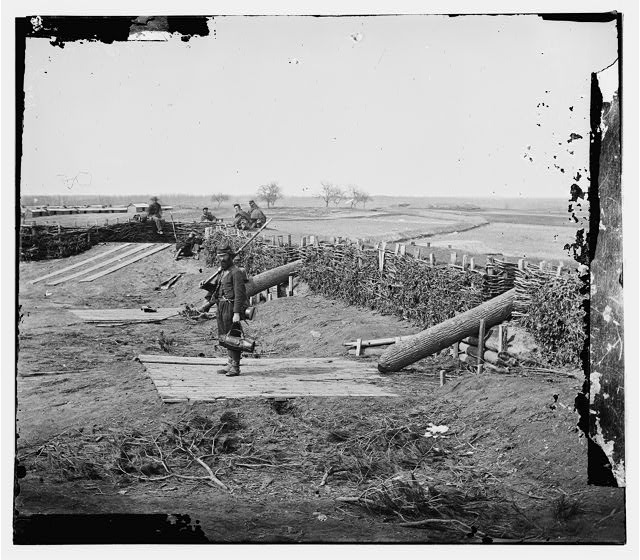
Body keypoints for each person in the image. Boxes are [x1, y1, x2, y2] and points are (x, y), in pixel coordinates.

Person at [213, 241, 248, 377]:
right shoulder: (223, 272)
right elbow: (218, 290)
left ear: (230, 256)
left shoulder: (236, 272)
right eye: (219, 256)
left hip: (231, 307)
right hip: (221, 306)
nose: (221, 259)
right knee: (225, 337)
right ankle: (229, 363)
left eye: (224, 256)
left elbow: (240, 294)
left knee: (233, 337)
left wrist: (237, 313)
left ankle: (236, 367)